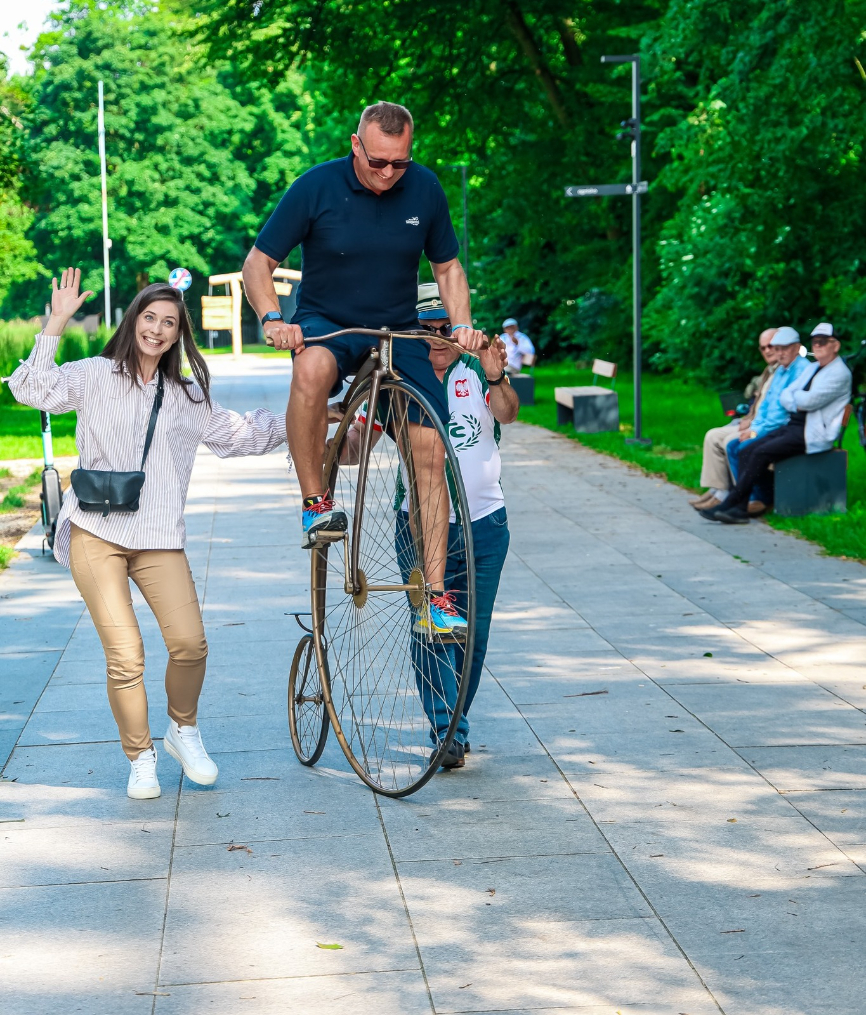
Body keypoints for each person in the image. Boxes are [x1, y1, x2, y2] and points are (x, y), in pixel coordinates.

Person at [9, 269, 289, 800]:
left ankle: (182, 730)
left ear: (178, 334)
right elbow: (29, 389)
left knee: (189, 644)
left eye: (169, 323)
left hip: (158, 533)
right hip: (96, 530)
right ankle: (140, 756)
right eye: (149, 317)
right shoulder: (93, 375)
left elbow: (242, 435)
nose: (157, 330)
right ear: (133, 319)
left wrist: (313, 417)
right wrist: (58, 320)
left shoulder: (186, 395)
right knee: (126, 656)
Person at [242, 100, 485, 636]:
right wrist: (273, 318)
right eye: (377, 161)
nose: (387, 173)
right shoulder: (316, 187)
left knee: (430, 449)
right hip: (328, 322)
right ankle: (314, 503)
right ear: (356, 144)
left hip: (397, 330)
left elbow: (447, 267)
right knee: (309, 372)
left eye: (398, 163)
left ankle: (434, 597)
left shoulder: (424, 188)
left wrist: (462, 324)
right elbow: (258, 264)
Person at [345, 283, 518, 768]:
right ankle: (448, 730)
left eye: (447, 327)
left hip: (485, 523)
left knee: (474, 634)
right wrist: (334, 444)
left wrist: (499, 378)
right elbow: (362, 445)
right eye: (427, 329)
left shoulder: (474, 368)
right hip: (416, 525)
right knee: (430, 625)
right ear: (410, 332)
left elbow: (508, 413)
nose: (439, 337)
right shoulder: (400, 380)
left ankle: (452, 722)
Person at [701, 323, 851, 524]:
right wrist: (797, 399)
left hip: (811, 433)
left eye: (823, 342)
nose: (817, 346)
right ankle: (739, 508)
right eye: (815, 342)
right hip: (794, 427)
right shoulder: (814, 367)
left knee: (759, 452)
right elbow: (785, 397)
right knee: (746, 450)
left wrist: (796, 399)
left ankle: (733, 504)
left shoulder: (839, 373)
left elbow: (810, 401)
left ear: (836, 345)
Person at [691, 328, 778, 512]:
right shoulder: (769, 371)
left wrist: (752, 422)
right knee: (712, 436)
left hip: (765, 426)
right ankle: (718, 490)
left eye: (771, 346)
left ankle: (740, 495)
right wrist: (748, 418)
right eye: (763, 348)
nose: (767, 351)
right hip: (753, 421)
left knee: (730, 440)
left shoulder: (783, 371)